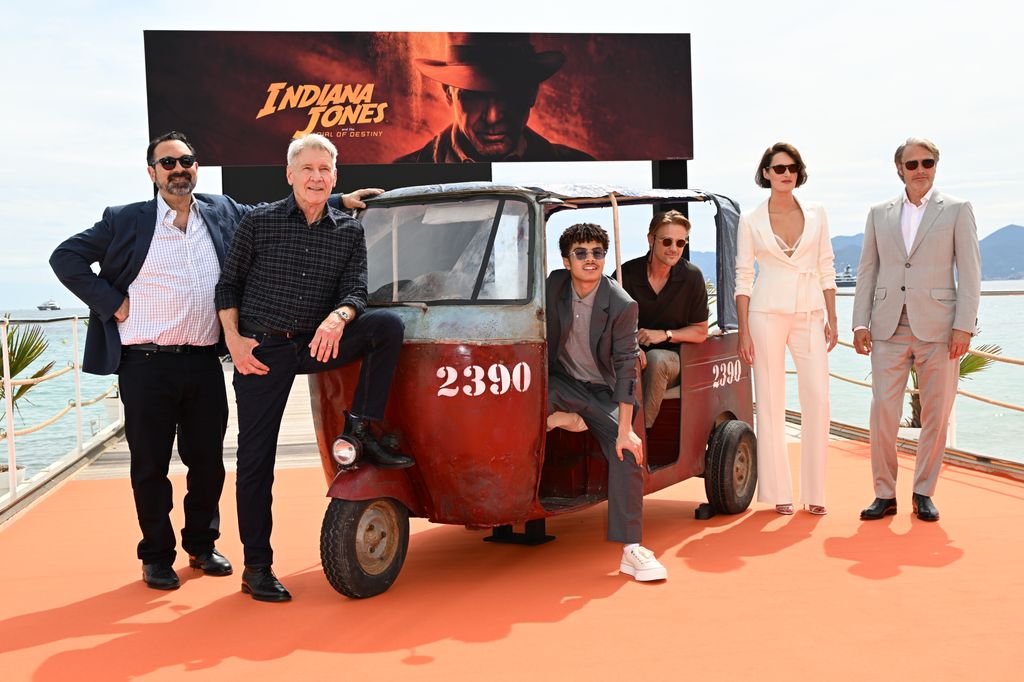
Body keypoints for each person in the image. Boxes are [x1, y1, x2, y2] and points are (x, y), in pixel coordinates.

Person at [48, 131, 378, 591]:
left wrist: (337, 196)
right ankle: (157, 555)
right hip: (145, 363)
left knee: (207, 464)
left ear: (195, 166)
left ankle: (202, 545)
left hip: (205, 359)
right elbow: (65, 257)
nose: (178, 169)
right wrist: (110, 302)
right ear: (152, 173)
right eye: (168, 163)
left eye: (186, 160)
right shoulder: (125, 220)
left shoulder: (221, 211)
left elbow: (282, 207)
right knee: (150, 465)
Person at [216, 133, 409, 602]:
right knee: (255, 461)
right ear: (290, 175)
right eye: (308, 169)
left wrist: (338, 317)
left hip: (318, 343)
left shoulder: (348, 230)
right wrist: (235, 342)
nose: (317, 177)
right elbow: (228, 285)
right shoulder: (259, 222)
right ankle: (257, 568)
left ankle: (361, 429)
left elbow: (356, 292)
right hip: (262, 351)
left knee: (386, 325)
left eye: (325, 170)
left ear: (335, 176)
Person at [853, 137, 981, 522]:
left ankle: (924, 492)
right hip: (888, 326)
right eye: (913, 164)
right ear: (900, 169)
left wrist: (964, 327)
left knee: (937, 415)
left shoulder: (958, 210)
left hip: (941, 329)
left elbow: (971, 272)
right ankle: (884, 493)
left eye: (928, 162)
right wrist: (861, 321)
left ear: (935, 166)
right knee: (882, 415)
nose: (921, 169)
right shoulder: (879, 213)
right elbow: (867, 270)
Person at [545, 223, 667, 582]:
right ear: (567, 261)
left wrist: (626, 430)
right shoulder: (552, 285)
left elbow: (627, 368)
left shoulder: (622, 304)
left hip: (602, 391)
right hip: (560, 382)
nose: (590, 259)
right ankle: (563, 422)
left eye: (597, 253)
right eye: (581, 253)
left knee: (628, 450)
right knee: (513, 409)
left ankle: (632, 550)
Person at [735, 142, 838, 516]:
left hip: (810, 313)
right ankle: (779, 491)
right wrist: (743, 331)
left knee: (818, 399)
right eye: (778, 168)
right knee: (771, 400)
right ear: (766, 173)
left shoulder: (817, 212)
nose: (786, 173)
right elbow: (743, 277)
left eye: (792, 167)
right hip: (765, 314)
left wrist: (833, 317)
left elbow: (827, 265)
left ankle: (816, 493)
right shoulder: (750, 219)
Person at [394, 33, 594, 163]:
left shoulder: (581, 168)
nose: (492, 117)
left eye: (509, 96)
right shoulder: (401, 172)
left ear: (532, 93)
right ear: (448, 93)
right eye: (473, 96)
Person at [620, 210, 709, 428]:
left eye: (680, 243)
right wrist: (632, 346)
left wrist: (665, 335)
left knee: (657, 359)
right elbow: (610, 322)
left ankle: (641, 432)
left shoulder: (691, 277)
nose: (674, 248)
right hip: (630, 354)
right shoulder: (626, 274)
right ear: (651, 240)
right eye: (667, 241)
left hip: (675, 360)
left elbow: (700, 331)